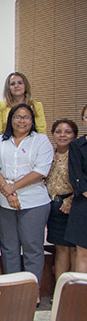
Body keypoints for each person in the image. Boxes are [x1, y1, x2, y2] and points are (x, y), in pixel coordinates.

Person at [0, 103, 53, 288]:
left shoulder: (41, 141)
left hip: (34, 201)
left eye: (26, 117)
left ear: (32, 121)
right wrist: (7, 191)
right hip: (3, 201)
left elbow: (40, 170)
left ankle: (32, 291)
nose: (21, 121)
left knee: (32, 247)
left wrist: (13, 188)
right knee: (9, 248)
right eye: (17, 117)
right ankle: (13, 289)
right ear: (11, 119)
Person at [45, 118, 78, 280]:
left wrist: (71, 200)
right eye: (58, 132)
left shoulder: (77, 155)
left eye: (68, 132)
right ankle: (60, 289)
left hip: (72, 205)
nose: (63, 135)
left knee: (74, 249)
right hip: (52, 204)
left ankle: (73, 289)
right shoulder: (47, 154)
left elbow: (81, 181)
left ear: (74, 135)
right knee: (60, 248)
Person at [0, 72, 46, 136]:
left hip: (32, 141)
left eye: (20, 83)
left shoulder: (36, 106)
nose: (16, 86)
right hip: (7, 141)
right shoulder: (0, 106)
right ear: (8, 88)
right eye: (12, 84)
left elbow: (41, 131)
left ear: (25, 86)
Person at [67, 104, 87, 273]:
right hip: (83, 204)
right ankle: (82, 289)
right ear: (83, 120)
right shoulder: (76, 146)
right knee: (83, 253)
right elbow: (77, 177)